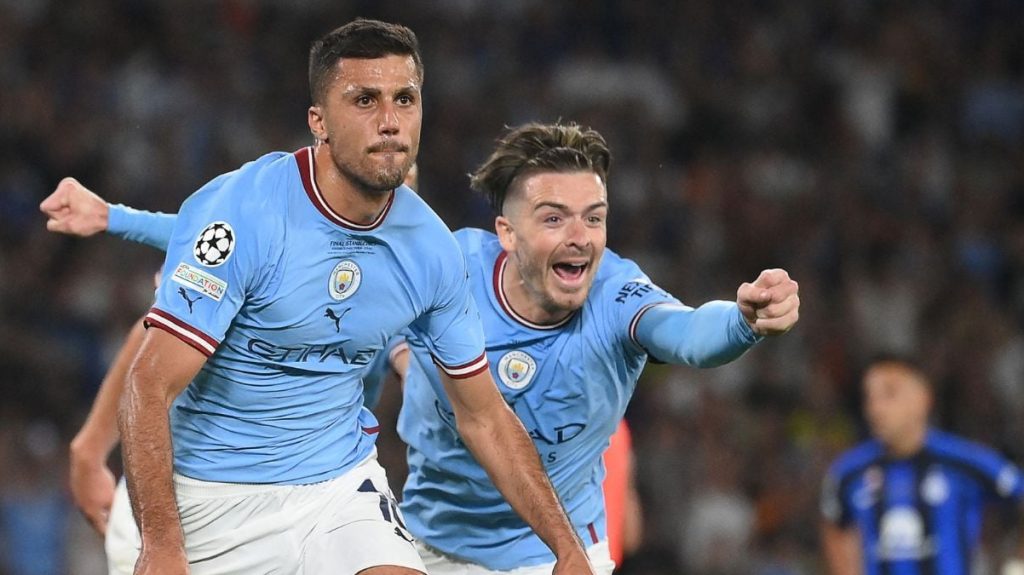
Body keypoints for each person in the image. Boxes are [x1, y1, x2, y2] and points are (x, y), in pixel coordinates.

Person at [48, 121, 801, 574]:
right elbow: (223, 249)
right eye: (554, 217)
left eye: (594, 217)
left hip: (554, 554)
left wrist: (741, 319)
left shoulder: (620, 296)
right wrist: (114, 216)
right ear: (506, 232)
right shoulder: (443, 267)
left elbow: (691, 335)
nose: (580, 236)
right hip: (427, 545)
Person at [44, 20, 593, 575]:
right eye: (364, 100)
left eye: (405, 99)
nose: (389, 122)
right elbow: (149, 379)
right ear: (319, 122)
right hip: (206, 500)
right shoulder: (245, 211)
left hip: (335, 490)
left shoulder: (429, 251)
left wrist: (567, 548)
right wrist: (158, 539)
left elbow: (485, 417)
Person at [821, 354, 1024, 575]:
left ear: (922, 398)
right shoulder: (849, 472)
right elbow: (835, 526)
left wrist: (1018, 564)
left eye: (889, 394)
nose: (875, 408)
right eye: (869, 397)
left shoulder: (962, 461)